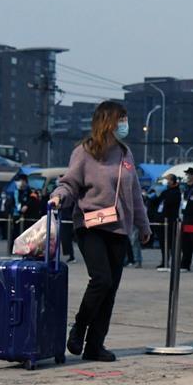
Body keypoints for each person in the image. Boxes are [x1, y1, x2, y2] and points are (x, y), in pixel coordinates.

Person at [50, 101, 151, 362]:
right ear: (107, 121)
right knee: (101, 279)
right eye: (121, 118)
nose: (125, 124)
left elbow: (135, 193)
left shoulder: (125, 153)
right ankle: (79, 327)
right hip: (90, 225)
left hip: (119, 229)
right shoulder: (84, 152)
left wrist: (144, 225)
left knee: (111, 289)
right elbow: (69, 183)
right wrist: (59, 197)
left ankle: (95, 345)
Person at [156, 174, 181, 269]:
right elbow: (158, 202)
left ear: (172, 181)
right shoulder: (165, 191)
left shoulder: (175, 192)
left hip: (170, 221)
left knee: (171, 243)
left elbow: (170, 203)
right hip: (162, 220)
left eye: (168, 179)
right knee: (163, 243)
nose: (166, 181)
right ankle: (164, 261)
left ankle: (173, 261)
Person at [12, 174, 41, 239]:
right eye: (17, 181)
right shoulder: (15, 192)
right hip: (17, 218)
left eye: (19, 181)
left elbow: (34, 201)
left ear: (25, 181)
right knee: (15, 237)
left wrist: (27, 205)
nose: (18, 183)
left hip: (28, 220)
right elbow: (13, 203)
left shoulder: (31, 192)